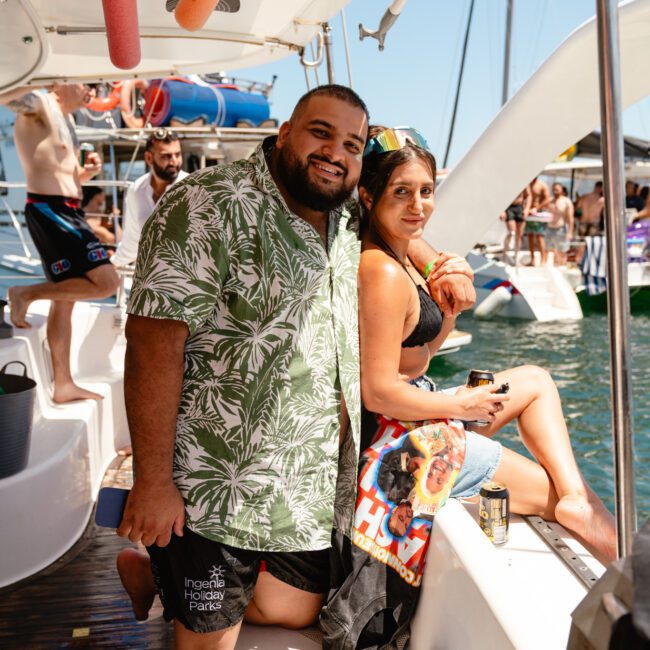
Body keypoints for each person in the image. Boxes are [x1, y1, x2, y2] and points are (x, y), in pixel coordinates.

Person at [114, 86, 475, 649]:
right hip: (217, 489)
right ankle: (173, 575)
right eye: (320, 133)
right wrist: (154, 483)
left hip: (308, 489)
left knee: (294, 611)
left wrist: (441, 263)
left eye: (352, 144)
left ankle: (158, 577)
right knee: (210, 642)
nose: (335, 152)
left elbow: (403, 218)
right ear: (285, 132)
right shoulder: (207, 205)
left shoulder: (346, 211)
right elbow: (151, 345)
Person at [321, 126, 616, 648]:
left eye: (426, 191)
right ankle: (589, 522)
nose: (418, 206)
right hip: (405, 445)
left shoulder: (400, 251)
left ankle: (573, 497)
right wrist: (462, 403)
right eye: (401, 192)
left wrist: (449, 311)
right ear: (368, 195)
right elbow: (378, 390)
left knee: (535, 381)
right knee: (552, 495)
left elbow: (413, 359)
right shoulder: (382, 272)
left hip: (418, 412)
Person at [0, 84, 120, 403]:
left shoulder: (66, 119)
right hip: (50, 210)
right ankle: (26, 293)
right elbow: (4, 94)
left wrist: (88, 173)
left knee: (65, 299)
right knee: (108, 283)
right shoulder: (40, 102)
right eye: (85, 84)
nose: (91, 89)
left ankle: (63, 384)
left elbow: (64, 176)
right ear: (61, 83)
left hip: (66, 209)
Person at [111, 128, 187, 267]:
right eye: (166, 156)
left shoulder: (194, 189)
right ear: (149, 158)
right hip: (153, 279)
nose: (174, 162)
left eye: (177, 154)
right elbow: (131, 243)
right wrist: (111, 266)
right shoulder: (136, 190)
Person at [524, 176, 551, 265]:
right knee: (530, 236)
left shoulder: (542, 185)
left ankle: (543, 260)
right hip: (529, 214)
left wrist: (537, 208)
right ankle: (533, 260)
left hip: (538, 214)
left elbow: (548, 199)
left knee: (540, 237)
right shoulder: (526, 184)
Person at [546, 182, 575, 266]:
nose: (555, 191)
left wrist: (570, 232)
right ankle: (555, 266)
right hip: (549, 228)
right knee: (551, 250)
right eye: (554, 189)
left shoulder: (566, 201)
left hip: (561, 228)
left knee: (562, 251)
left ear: (562, 190)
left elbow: (570, 218)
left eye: (557, 190)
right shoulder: (550, 200)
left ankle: (562, 266)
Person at [499, 186, 530, 264]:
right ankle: (505, 254)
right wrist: (501, 210)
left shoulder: (524, 181)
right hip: (509, 208)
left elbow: (529, 195)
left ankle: (516, 257)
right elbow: (500, 194)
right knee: (511, 233)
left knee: (519, 235)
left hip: (520, 208)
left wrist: (527, 209)